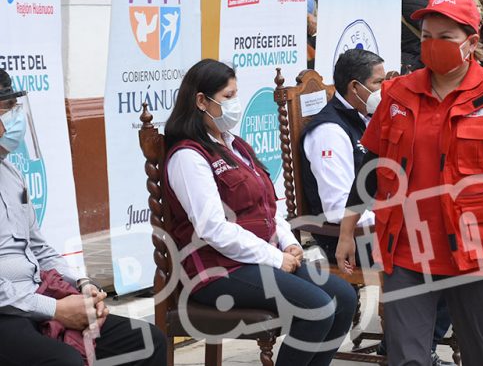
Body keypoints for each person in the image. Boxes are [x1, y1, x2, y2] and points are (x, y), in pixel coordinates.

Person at [336, 0, 483, 365]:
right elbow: (372, 166)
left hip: (476, 246)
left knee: (481, 353)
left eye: (445, 38)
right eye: (427, 36)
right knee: (406, 356)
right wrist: (348, 230)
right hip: (406, 248)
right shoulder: (398, 93)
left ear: (471, 43)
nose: (432, 46)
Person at [163, 59, 357, 366]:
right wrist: (275, 257)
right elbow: (212, 228)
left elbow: (268, 205)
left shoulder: (235, 145)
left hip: (259, 259)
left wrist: (287, 242)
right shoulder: (188, 156)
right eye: (227, 97)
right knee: (318, 308)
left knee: (344, 298)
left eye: (235, 94)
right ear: (201, 101)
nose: (234, 104)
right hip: (219, 271)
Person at [0, 69, 168, 366]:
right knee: (65, 361)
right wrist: (55, 309)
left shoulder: (11, 173)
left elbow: (38, 248)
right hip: (7, 311)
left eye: (14, 108)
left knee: (148, 340)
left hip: (37, 296)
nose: (13, 118)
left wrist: (81, 284)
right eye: (5, 110)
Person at [301, 49, 455, 366]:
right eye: (379, 81)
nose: (386, 88)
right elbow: (335, 206)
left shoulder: (372, 117)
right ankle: (414, 345)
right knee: (433, 254)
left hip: (382, 224)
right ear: (355, 87)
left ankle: (415, 340)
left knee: (458, 245)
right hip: (346, 233)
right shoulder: (330, 131)